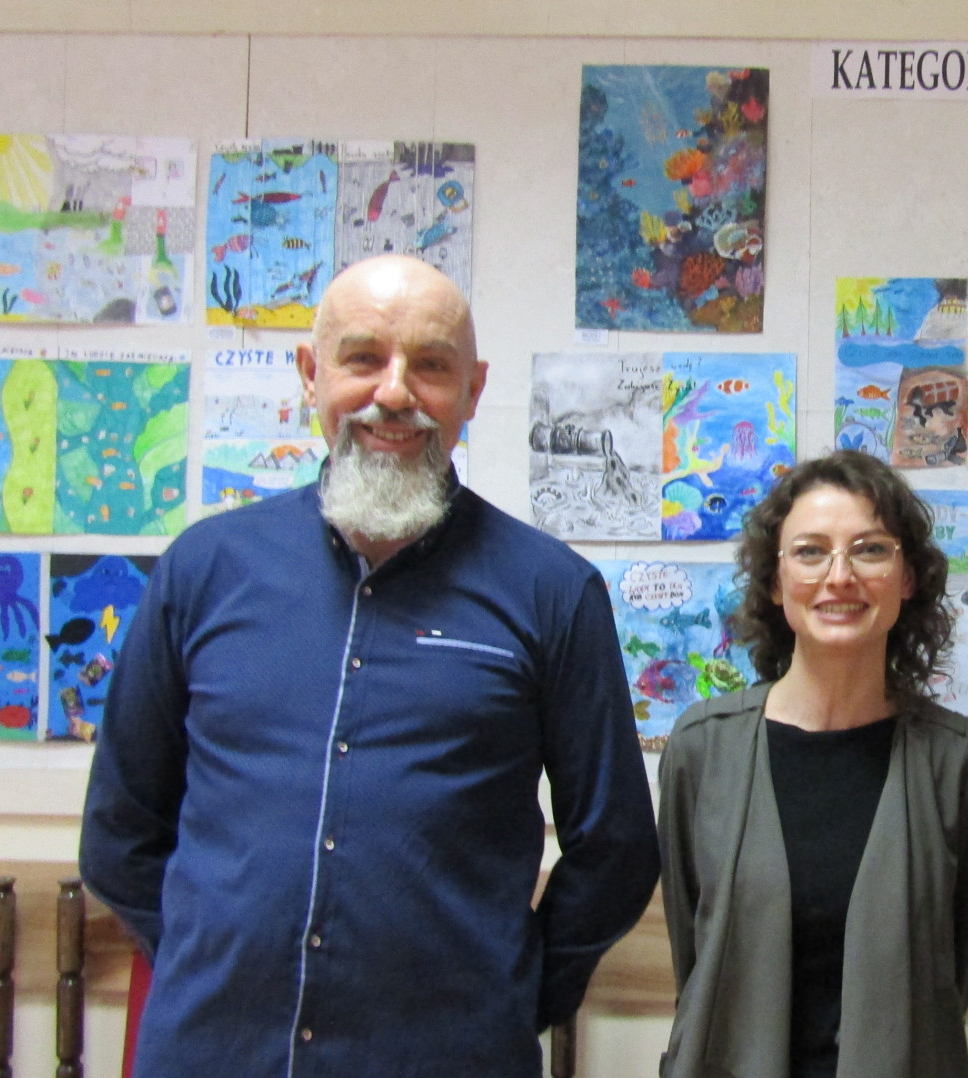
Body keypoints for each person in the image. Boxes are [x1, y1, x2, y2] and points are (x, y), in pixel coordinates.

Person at [80, 255, 658, 1077]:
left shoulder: (552, 593)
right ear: (310, 373)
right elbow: (120, 830)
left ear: (473, 390)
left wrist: (507, 996)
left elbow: (617, 849)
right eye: (363, 358)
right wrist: (212, 964)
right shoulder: (203, 570)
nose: (394, 392)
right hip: (215, 1053)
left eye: (431, 365)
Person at [657, 450, 968, 1078]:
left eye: (870, 550)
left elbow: (954, 969)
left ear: (907, 577)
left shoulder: (955, 760)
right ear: (775, 580)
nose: (839, 576)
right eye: (811, 552)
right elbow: (695, 958)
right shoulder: (702, 749)